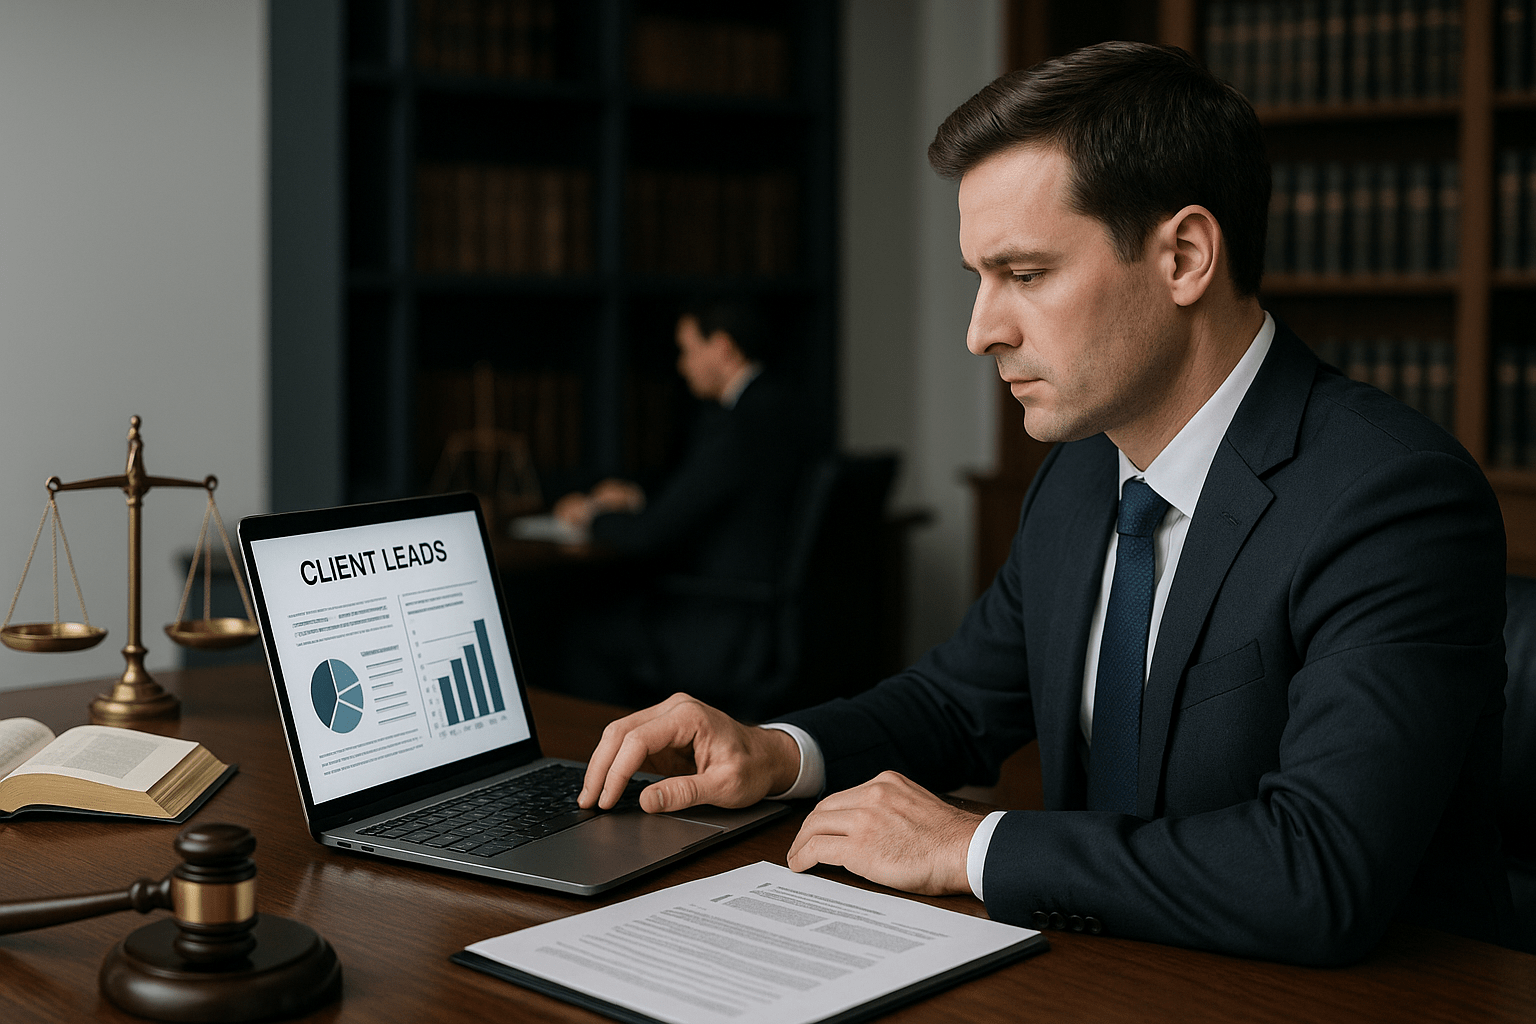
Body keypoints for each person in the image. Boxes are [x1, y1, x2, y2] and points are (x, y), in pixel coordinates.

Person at [575, 42, 1514, 966]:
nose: (982, 331)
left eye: (1024, 276)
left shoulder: (1391, 497)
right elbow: (958, 701)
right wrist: (778, 753)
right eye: (978, 281)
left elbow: (1318, 872)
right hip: (1107, 973)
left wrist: (966, 847)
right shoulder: (1079, 473)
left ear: (1184, 256)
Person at [552, 298, 810, 715]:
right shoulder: (783, 409)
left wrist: (592, 515)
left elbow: (648, 536)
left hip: (724, 625)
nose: (682, 364)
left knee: (575, 634)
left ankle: (607, 767)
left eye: (688, 349)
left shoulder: (738, 429)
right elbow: (712, 499)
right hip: (769, 616)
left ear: (722, 348)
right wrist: (638, 499)